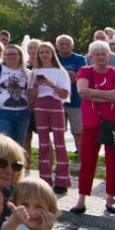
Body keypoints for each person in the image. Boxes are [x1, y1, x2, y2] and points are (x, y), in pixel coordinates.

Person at [73, 41, 115, 216]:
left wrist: (95, 95)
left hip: (113, 123)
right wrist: (110, 96)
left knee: (113, 162)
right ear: (91, 57)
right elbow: (82, 92)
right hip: (92, 122)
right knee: (87, 162)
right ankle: (81, 199)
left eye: (104, 53)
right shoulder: (85, 71)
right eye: (97, 54)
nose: (101, 57)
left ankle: (110, 199)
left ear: (109, 56)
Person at [29, 41, 72, 193]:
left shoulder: (61, 72)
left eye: (47, 52)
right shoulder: (34, 72)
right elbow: (31, 96)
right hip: (40, 105)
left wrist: (50, 84)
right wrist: (36, 85)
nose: (44, 55)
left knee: (60, 142)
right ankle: (44, 179)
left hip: (55, 105)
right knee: (43, 143)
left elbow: (65, 95)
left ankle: (62, 180)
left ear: (52, 54)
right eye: (41, 52)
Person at [0, 43, 32, 151]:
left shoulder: (27, 72)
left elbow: (32, 91)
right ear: (3, 56)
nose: (11, 57)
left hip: (23, 112)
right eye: (8, 55)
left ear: (20, 56)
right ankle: (3, 167)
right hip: (3, 112)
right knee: (4, 143)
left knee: (19, 143)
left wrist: (31, 105)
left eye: (14, 54)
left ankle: (16, 167)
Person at [55, 36, 88, 146]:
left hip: (76, 102)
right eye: (61, 44)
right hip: (57, 102)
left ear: (73, 45)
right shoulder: (53, 58)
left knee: (79, 133)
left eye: (67, 44)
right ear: (57, 46)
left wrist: (60, 75)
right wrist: (69, 74)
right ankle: (62, 161)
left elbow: (77, 78)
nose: (64, 46)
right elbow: (52, 79)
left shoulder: (80, 59)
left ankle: (84, 161)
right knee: (58, 134)